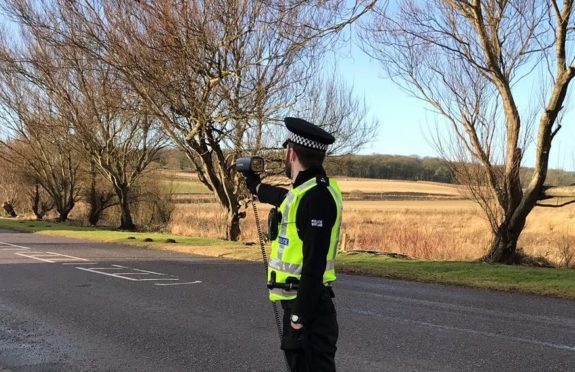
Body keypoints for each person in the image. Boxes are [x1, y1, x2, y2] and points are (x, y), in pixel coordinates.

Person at [244, 117, 343, 372]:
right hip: (305, 305)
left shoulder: (315, 198)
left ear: (291, 153)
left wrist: (299, 316)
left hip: (308, 309)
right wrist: (255, 186)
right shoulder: (310, 190)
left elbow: (315, 260)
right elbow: (284, 199)